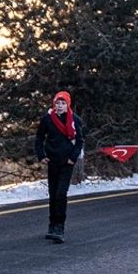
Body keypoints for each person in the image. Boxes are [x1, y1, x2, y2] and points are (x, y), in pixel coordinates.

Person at [34, 90, 84, 242]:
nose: (60, 106)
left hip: (66, 162)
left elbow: (80, 141)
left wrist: (72, 158)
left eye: (63, 103)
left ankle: (60, 226)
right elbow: (39, 137)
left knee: (61, 194)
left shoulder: (75, 120)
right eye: (57, 103)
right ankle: (52, 224)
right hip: (52, 160)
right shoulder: (47, 119)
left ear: (67, 105)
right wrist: (42, 155)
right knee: (53, 194)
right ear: (54, 104)